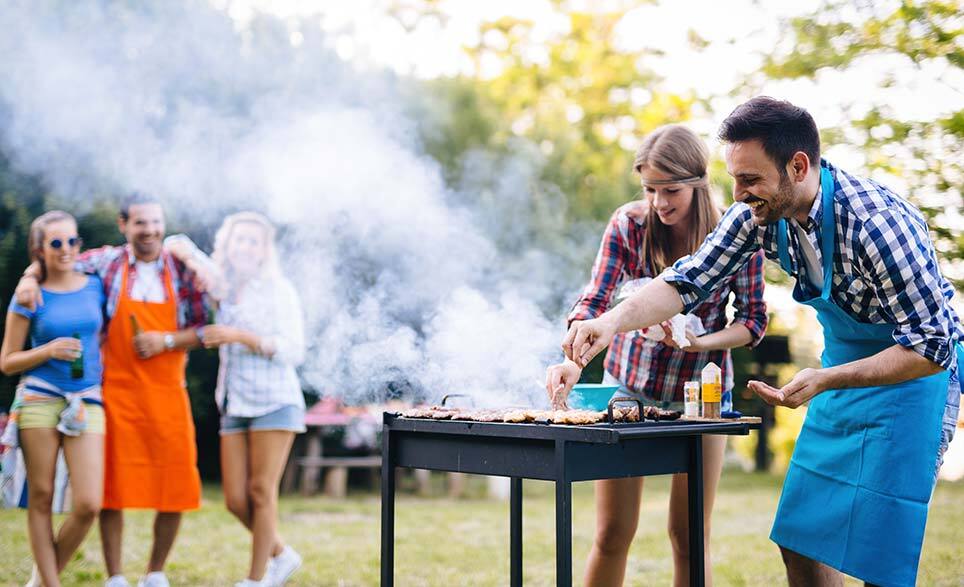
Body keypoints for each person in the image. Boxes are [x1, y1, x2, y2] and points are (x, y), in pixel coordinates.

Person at [563, 97, 961, 587]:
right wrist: (609, 323)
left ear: (797, 167)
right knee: (800, 541)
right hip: (837, 375)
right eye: (734, 178)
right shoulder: (755, 216)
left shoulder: (878, 224)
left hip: (912, 379)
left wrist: (826, 379)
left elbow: (930, 346)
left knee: (882, 554)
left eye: (749, 180)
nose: (738, 193)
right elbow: (687, 281)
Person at [545, 124, 767, 586]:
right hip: (628, 390)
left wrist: (697, 342)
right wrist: (572, 357)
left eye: (672, 191)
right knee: (612, 532)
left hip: (702, 398)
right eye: (650, 189)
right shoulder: (629, 225)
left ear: (698, 184)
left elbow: (752, 323)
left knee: (689, 535)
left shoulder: (736, 234)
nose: (660, 202)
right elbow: (595, 301)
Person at [14, 194, 211, 587]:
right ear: (124, 225)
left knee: (175, 483)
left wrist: (167, 341)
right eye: (140, 223)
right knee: (112, 489)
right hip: (114, 392)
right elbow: (56, 264)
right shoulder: (106, 263)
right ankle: (115, 575)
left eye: (156, 222)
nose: (150, 230)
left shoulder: (182, 269)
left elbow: (207, 329)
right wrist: (27, 278)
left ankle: (155, 572)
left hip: (169, 391)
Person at [170, 212, 306, 587]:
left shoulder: (279, 290)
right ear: (227, 246)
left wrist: (239, 335)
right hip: (234, 402)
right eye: (239, 240)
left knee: (261, 491)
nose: (245, 247)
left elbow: (294, 350)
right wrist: (188, 254)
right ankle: (282, 554)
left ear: (264, 251)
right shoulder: (222, 284)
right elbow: (174, 242)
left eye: (253, 241)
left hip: (275, 401)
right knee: (234, 500)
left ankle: (256, 578)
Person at [1, 211, 106, 587]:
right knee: (42, 497)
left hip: (87, 400)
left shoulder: (96, 285)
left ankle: (40, 581)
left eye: (72, 241)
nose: (66, 250)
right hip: (39, 399)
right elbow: (8, 361)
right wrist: (46, 351)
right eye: (56, 243)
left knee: (89, 504)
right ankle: (50, 584)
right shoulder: (29, 293)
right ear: (40, 249)